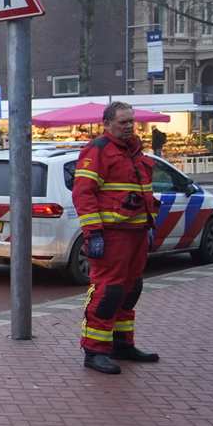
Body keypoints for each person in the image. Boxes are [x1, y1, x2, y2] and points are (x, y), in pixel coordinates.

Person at [71, 102, 161, 375]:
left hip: (136, 234)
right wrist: (93, 232)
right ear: (107, 123)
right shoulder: (98, 150)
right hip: (112, 235)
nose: (128, 126)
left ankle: (122, 344)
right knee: (108, 291)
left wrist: (149, 223)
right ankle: (95, 351)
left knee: (130, 290)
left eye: (131, 121)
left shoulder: (135, 153)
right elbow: (83, 193)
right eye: (123, 122)